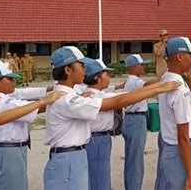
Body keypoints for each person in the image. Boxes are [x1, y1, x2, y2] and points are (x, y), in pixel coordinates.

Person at [43, 46, 179, 190]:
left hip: (75, 154)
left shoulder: (72, 96)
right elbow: (117, 101)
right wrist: (159, 88)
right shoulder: (66, 100)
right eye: (81, 65)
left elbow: (122, 97)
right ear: (68, 70)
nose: (84, 69)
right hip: (67, 158)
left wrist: (163, 83)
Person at [0, 57, 66, 189]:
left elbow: (21, 93)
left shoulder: (3, 97)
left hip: (9, 150)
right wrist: (46, 101)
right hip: (5, 152)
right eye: (10, 79)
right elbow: (35, 108)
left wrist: (49, 93)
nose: (14, 81)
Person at [155, 37, 191, 190]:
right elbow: (183, 137)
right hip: (179, 151)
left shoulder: (167, 79)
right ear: (180, 56)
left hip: (170, 147)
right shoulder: (178, 89)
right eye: (190, 55)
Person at [81, 58, 118, 190]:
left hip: (96, 139)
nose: (109, 78)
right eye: (106, 75)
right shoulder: (96, 96)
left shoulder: (93, 93)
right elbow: (127, 97)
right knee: (99, 177)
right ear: (97, 77)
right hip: (96, 140)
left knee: (96, 175)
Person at [121, 54, 154, 190]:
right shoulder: (135, 81)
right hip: (136, 119)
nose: (144, 67)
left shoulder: (130, 81)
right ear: (134, 68)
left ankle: (131, 185)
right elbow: (147, 84)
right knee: (136, 160)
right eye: (142, 65)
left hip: (131, 119)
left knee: (132, 157)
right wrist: (164, 78)